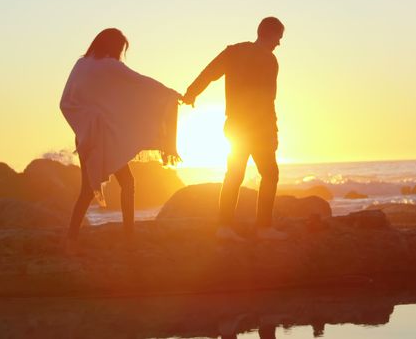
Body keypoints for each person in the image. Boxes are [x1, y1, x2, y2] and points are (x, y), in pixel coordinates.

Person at [59, 28, 182, 253]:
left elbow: (65, 102)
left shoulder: (81, 65)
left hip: (86, 137)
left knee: (88, 189)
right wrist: (170, 94)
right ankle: (128, 237)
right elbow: (141, 84)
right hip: (107, 137)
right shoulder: (111, 66)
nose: (120, 54)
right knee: (125, 184)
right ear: (114, 47)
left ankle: (71, 241)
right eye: (121, 49)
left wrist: (85, 123)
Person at [183, 17, 286, 241]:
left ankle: (224, 227)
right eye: (279, 37)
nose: (279, 43)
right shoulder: (270, 60)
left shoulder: (234, 51)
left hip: (235, 124)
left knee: (234, 173)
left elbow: (209, 73)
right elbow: (268, 99)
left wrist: (192, 92)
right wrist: (273, 130)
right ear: (269, 33)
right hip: (259, 126)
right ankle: (264, 228)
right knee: (270, 174)